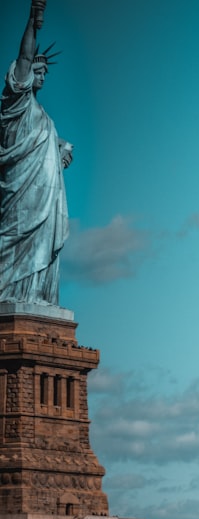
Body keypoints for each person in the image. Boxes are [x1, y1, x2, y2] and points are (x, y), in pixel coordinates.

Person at [1, 0, 72, 306]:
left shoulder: (43, 115)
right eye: (36, 71)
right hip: (22, 192)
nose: (41, 76)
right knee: (17, 235)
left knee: (42, 239)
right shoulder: (15, 103)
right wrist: (33, 21)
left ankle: (38, 296)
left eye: (44, 73)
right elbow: (24, 56)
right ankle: (12, 294)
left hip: (46, 195)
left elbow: (44, 146)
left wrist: (61, 154)